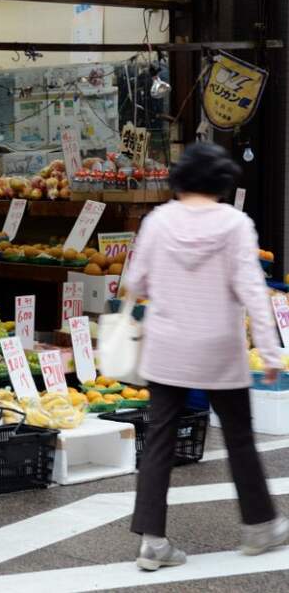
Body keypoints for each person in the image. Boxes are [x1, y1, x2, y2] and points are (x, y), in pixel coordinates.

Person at [123, 142, 286, 571]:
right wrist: (270, 350)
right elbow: (253, 290)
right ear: (221, 181)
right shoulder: (235, 224)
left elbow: (135, 280)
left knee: (158, 441)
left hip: (167, 347)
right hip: (220, 350)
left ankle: (153, 541)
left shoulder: (158, 221)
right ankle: (258, 527)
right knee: (238, 437)